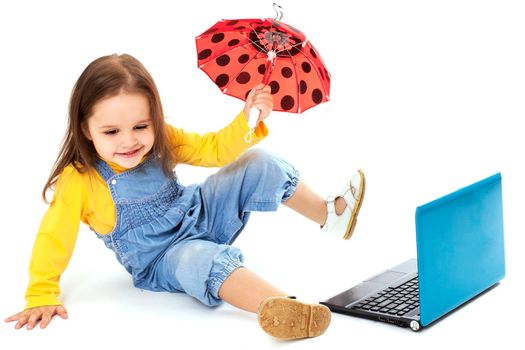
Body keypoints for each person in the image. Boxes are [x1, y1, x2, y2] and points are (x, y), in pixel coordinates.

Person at [4, 54, 365, 340]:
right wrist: (41, 293)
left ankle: (329, 214)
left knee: (258, 161)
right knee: (201, 259)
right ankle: (284, 308)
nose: (129, 141)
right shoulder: (80, 181)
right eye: (111, 131)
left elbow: (213, 151)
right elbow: (54, 238)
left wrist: (248, 118)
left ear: (155, 118)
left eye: (141, 126)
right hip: (164, 257)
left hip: (200, 214)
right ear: (86, 128)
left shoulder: (164, 138)